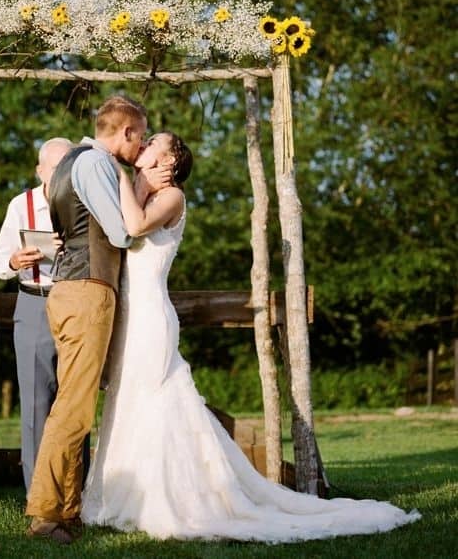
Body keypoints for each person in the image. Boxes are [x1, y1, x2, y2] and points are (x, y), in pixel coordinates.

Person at [81, 131, 421, 543]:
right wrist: (132, 180)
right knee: (127, 399)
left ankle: (174, 500)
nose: (145, 143)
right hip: (128, 317)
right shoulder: (142, 188)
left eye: (155, 141)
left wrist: (116, 172)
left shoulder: (172, 197)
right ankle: (127, 495)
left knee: (158, 399)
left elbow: (133, 226)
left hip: (152, 317)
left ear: (169, 159)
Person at [26, 96, 170, 544]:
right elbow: (122, 231)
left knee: (78, 402)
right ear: (125, 132)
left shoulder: (72, 161)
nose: (142, 144)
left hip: (75, 289)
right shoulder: (97, 163)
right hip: (87, 291)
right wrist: (138, 189)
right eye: (141, 136)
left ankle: (67, 510)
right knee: (72, 405)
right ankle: (45, 513)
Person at [0, 137, 73, 494]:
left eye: (66, 166)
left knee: (74, 402)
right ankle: (37, 495)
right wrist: (14, 261)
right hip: (33, 303)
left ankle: (73, 491)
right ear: (40, 170)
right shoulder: (20, 204)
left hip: (75, 303)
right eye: (54, 167)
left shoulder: (85, 201)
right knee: (37, 404)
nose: (60, 174)